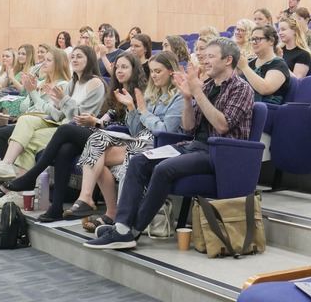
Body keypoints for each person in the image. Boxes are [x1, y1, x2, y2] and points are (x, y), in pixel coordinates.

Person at [83, 37, 254, 250]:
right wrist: (185, 99)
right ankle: (122, 226)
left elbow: (222, 126)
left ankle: (130, 230)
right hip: (193, 146)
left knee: (163, 169)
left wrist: (197, 93)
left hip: (221, 152)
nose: (205, 60)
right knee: (139, 161)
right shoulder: (207, 86)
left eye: (211, 56)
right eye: (205, 56)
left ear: (228, 60)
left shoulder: (241, 89)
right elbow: (189, 127)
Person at [4, 52, 150, 223]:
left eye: (124, 67)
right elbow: (106, 119)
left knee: (65, 130)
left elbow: (136, 130)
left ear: (135, 69)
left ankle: (32, 176)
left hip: (123, 140)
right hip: (106, 135)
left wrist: (126, 109)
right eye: (117, 67)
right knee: (65, 150)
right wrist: (94, 121)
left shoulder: (141, 93)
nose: (119, 71)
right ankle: (56, 207)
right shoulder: (114, 91)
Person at [64, 51, 183, 229]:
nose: (154, 75)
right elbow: (137, 130)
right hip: (141, 139)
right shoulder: (152, 95)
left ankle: (113, 214)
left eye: (159, 71)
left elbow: (166, 130)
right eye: (152, 71)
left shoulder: (178, 96)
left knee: (98, 153)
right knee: (97, 145)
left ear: (171, 71)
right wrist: (132, 108)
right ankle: (98, 204)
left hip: (161, 145)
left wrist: (143, 112)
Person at [0, 45, 106, 208]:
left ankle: (21, 188)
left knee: (22, 138)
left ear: (90, 59)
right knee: (25, 122)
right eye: (73, 56)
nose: (74, 59)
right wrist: (53, 102)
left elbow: (81, 118)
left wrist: (62, 101)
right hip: (61, 125)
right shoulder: (72, 84)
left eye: (79, 56)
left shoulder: (95, 83)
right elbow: (55, 114)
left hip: (77, 131)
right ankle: (6, 167)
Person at [0, 46, 71, 202]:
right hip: (30, 120)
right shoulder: (43, 82)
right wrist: (31, 90)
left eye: (49, 60)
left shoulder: (63, 85)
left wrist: (34, 93)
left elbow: (51, 113)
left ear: (59, 63)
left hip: (44, 123)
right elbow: (25, 107)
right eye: (44, 60)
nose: (44, 63)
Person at [238, 25, 290, 105]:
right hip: (244, 106)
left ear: (271, 41)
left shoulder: (279, 64)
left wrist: (245, 68)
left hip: (266, 110)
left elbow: (265, 89)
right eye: (252, 39)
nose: (254, 42)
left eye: (257, 39)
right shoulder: (250, 62)